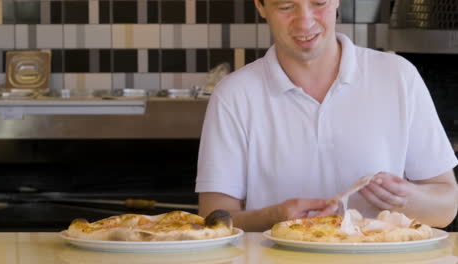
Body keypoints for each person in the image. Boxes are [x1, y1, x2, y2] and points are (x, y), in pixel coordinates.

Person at [195, 0, 458, 232]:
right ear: (261, 6)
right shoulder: (234, 94)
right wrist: (273, 217)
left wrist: (407, 199)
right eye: (286, 7)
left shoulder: (398, 76)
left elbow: (447, 207)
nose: (305, 21)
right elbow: (213, 217)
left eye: (318, 3)